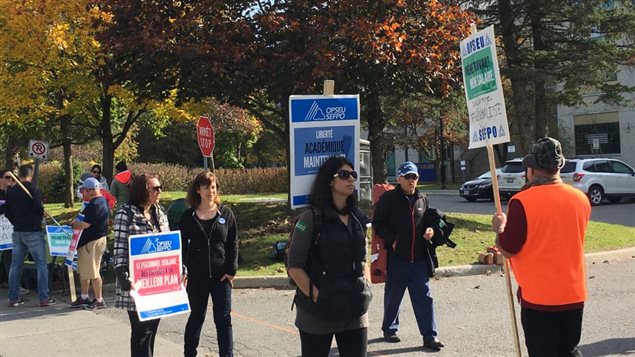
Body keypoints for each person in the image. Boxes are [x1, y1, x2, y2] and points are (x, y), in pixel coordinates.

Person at [492, 137, 591, 357]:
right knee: (568, 350)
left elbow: (508, 248)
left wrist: (500, 228)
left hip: (539, 297)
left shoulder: (522, 201)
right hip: (573, 294)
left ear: (533, 169)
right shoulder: (581, 199)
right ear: (558, 166)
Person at [287, 156, 372, 357]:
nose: (351, 179)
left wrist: (365, 286)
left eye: (353, 174)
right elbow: (294, 266)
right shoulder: (310, 218)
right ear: (330, 181)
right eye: (344, 175)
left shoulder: (357, 216)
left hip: (354, 311)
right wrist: (318, 296)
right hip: (317, 314)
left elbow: (364, 257)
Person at [372, 161, 443, 351]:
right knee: (394, 296)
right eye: (408, 177)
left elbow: (428, 220)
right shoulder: (389, 199)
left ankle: (430, 336)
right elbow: (378, 223)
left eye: (415, 177)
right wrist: (392, 241)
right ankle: (389, 328)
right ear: (399, 179)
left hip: (418, 259)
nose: (412, 181)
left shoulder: (422, 199)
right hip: (397, 259)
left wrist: (430, 231)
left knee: (424, 297)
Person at [180, 171, 238, 357]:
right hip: (197, 277)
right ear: (198, 190)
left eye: (213, 187)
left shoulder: (226, 214)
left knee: (223, 320)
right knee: (197, 317)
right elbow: (180, 247)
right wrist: (183, 270)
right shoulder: (188, 216)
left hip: (221, 276)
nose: (210, 191)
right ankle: (189, 353)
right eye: (206, 187)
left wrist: (231, 270)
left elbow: (233, 242)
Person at [113, 174, 170, 356]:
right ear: (142, 190)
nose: (159, 191)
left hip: (158, 282)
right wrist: (123, 277)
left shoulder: (159, 212)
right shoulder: (126, 213)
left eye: (159, 187)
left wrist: (179, 268)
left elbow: (169, 244)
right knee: (141, 332)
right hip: (137, 283)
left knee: (151, 331)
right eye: (154, 188)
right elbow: (120, 247)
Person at [4, 165, 55, 307]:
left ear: (19, 175)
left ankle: (13, 298)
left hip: (18, 231)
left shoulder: (12, 191)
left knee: (15, 266)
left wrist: (16, 221)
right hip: (33, 230)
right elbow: (38, 208)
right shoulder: (34, 189)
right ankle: (44, 297)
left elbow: (7, 212)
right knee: (41, 265)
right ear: (30, 175)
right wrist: (40, 215)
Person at [70, 177, 110, 309]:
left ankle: (99, 299)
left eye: (83, 190)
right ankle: (84, 296)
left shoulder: (95, 204)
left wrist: (74, 225)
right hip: (91, 241)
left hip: (91, 242)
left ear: (89, 190)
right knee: (84, 270)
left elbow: (85, 224)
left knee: (93, 271)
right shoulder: (101, 201)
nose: (82, 193)